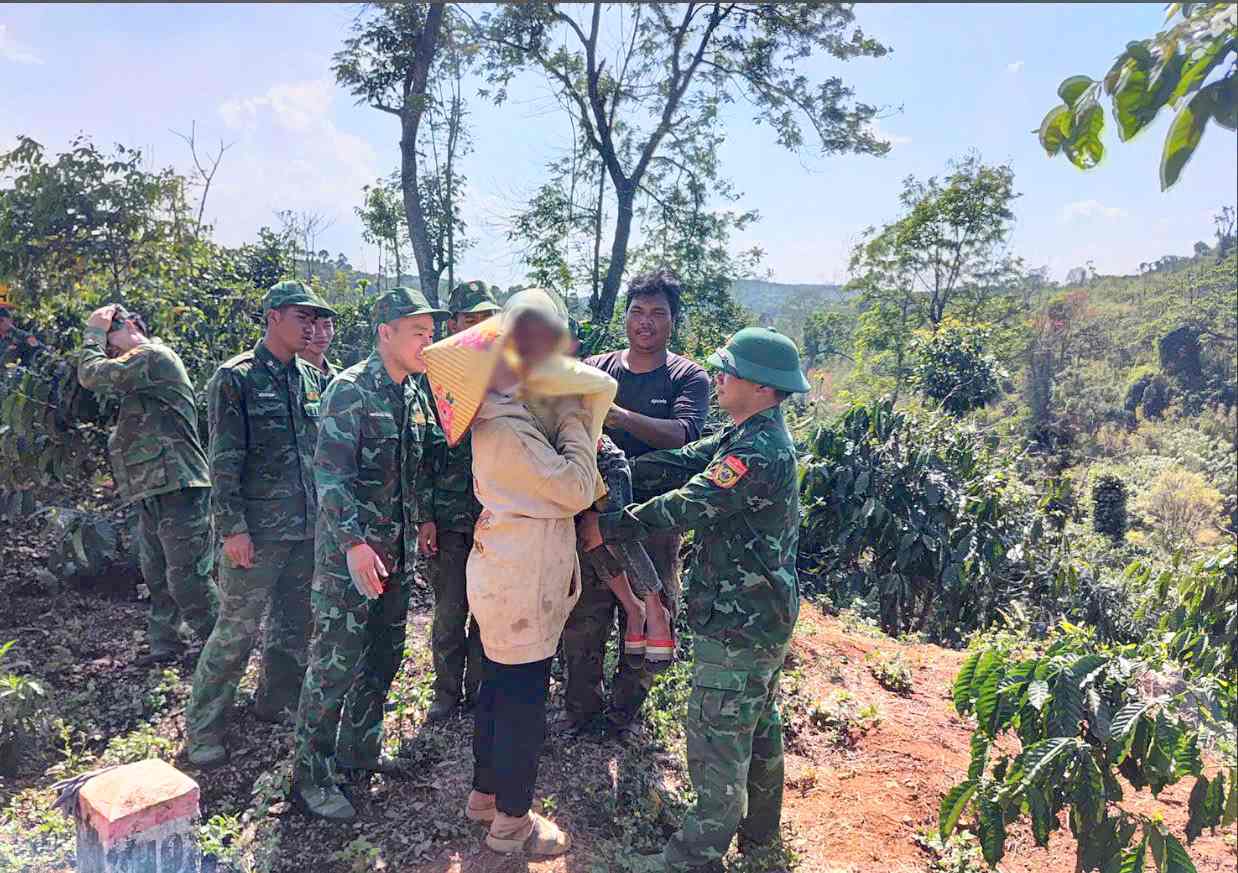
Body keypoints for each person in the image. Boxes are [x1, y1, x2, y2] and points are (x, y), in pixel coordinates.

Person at [578, 326, 809, 872]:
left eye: (728, 371)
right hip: (760, 614)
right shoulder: (744, 433)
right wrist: (616, 469)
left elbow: (693, 502)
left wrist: (614, 522)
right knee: (756, 726)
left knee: (717, 744)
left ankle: (691, 858)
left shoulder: (758, 450)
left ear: (760, 386)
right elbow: (683, 461)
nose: (718, 377)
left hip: (739, 620)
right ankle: (759, 836)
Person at [423, 287, 613, 856]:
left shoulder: (508, 414)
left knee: (501, 691)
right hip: (521, 577)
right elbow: (577, 487)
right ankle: (512, 822)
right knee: (522, 701)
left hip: (512, 570)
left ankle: (486, 796)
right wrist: (577, 417)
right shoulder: (505, 428)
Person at [292, 287, 447, 821]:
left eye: (431, 333)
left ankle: (360, 752)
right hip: (350, 561)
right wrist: (355, 543)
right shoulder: (350, 390)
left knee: (383, 658)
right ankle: (310, 778)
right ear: (386, 333)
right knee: (333, 666)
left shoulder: (415, 392)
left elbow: (417, 466)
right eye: (419, 332)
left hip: (396, 558)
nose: (429, 341)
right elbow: (330, 477)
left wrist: (423, 518)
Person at [186, 280, 335, 768]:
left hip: (305, 527)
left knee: (294, 626)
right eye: (301, 317)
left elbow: (316, 455)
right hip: (257, 531)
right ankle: (204, 729)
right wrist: (233, 529)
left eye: (315, 319)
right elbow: (224, 460)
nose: (311, 327)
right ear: (273, 317)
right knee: (236, 630)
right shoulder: (237, 378)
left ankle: (276, 702)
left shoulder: (309, 378)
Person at [562, 268, 710, 738]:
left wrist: (617, 413)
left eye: (658, 313)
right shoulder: (597, 368)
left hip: (657, 519)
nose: (645, 321)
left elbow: (682, 434)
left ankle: (625, 713)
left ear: (673, 321)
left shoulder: (688, 376)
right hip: (596, 513)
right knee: (586, 611)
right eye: (637, 311)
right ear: (625, 317)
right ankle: (582, 712)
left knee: (649, 608)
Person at [76, 304, 219, 665]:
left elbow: (90, 375)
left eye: (111, 337)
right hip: (154, 488)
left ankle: (221, 649)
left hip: (181, 487)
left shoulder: (153, 356)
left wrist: (92, 332)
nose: (107, 349)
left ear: (133, 326)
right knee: (156, 577)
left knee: (188, 579)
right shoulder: (139, 371)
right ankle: (165, 646)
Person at [418, 280, 498, 723]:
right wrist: (425, 517)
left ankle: (479, 691)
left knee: (487, 614)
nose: (478, 329)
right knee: (450, 614)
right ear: (452, 324)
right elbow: (420, 455)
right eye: (470, 320)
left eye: (486, 320)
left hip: (493, 519)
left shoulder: (504, 377)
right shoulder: (432, 379)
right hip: (449, 521)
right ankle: (445, 693)